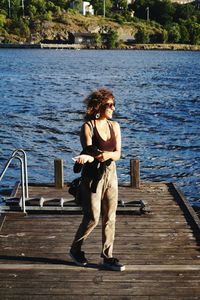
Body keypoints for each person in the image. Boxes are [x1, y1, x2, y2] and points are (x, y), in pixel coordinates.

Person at [70, 88, 125, 271]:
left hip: (111, 174)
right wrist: (96, 156)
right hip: (93, 177)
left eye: (113, 104)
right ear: (99, 106)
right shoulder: (88, 127)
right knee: (93, 217)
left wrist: (104, 155)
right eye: (110, 104)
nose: (113, 108)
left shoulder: (114, 126)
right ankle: (75, 249)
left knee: (110, 216)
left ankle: (107, 256)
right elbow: (90, 149)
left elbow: (117, 154)